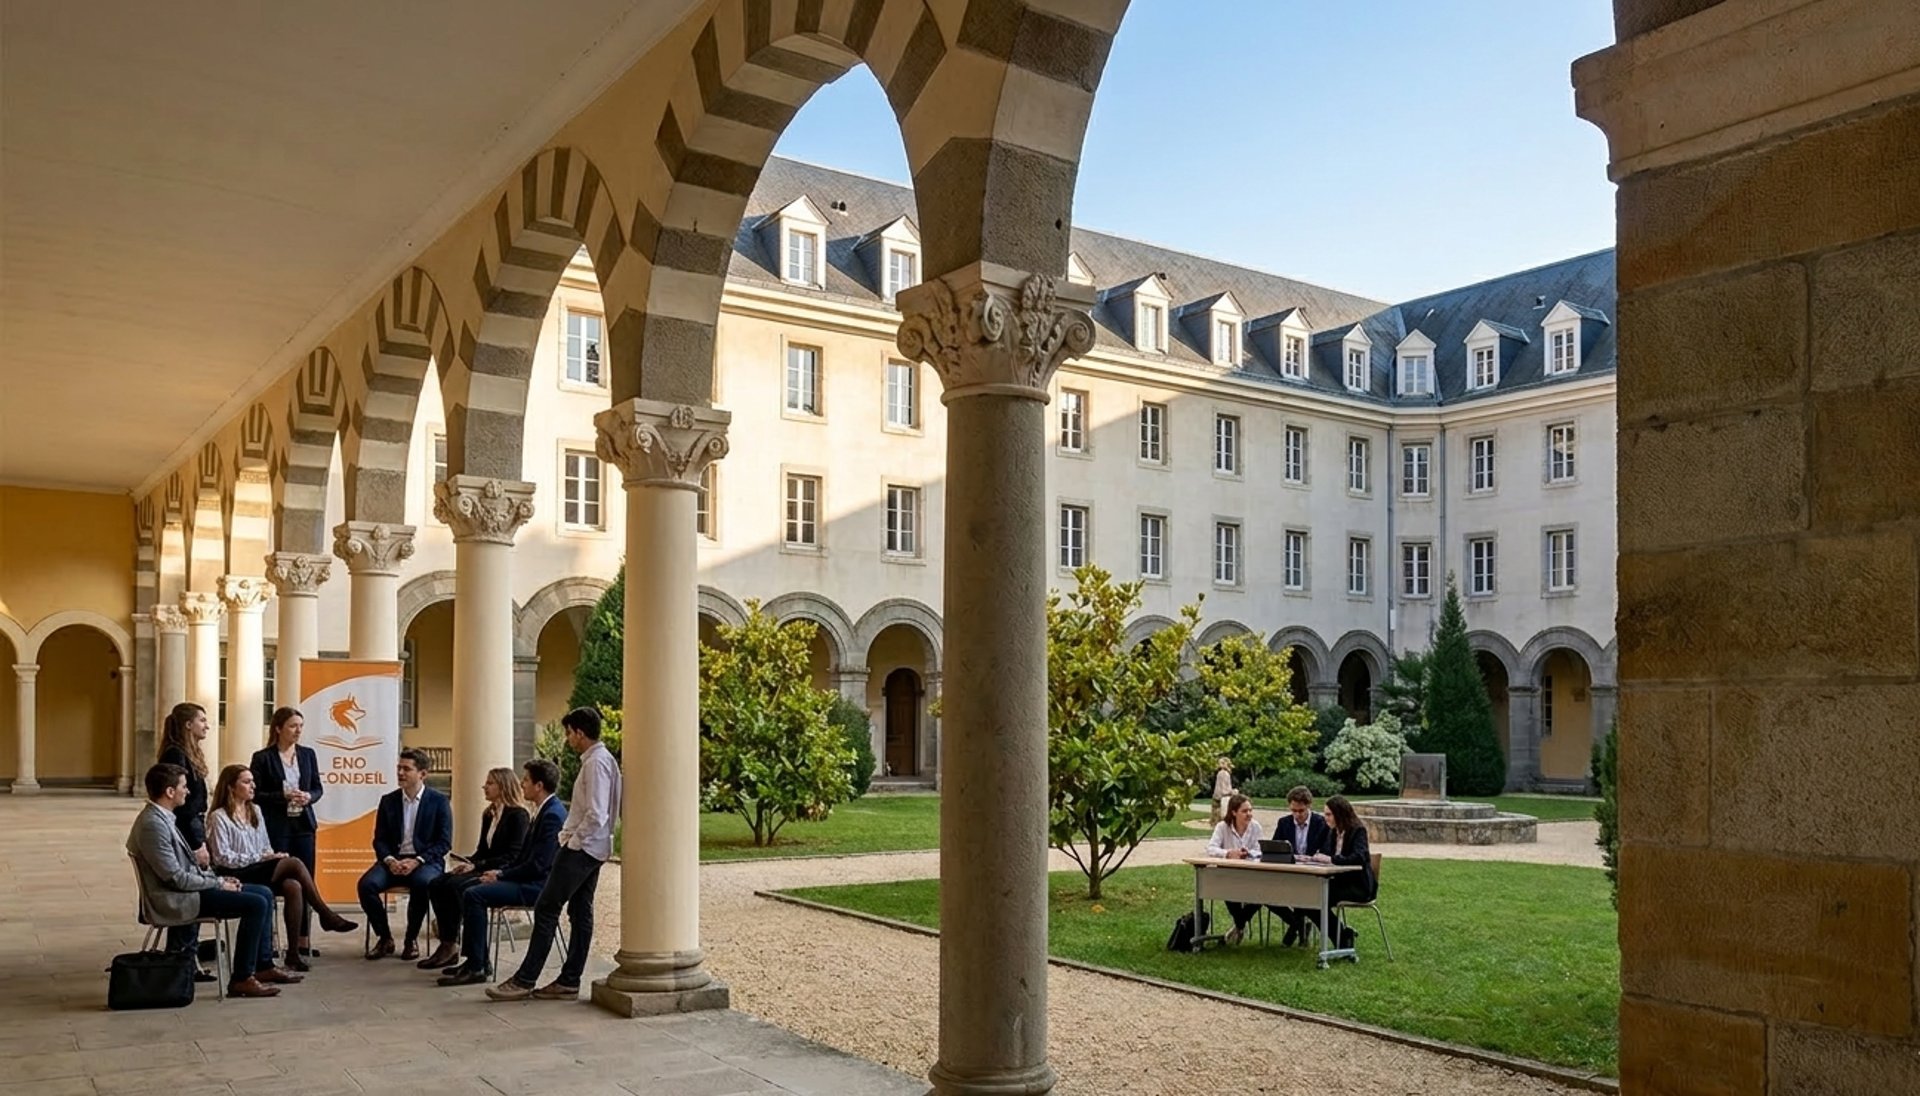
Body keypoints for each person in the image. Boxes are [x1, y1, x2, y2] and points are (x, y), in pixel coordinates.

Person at [128, 763, 304, 998]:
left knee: (264, 892)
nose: (188, 791)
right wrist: (218, 884)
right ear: (170, 792)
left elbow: (185, 870)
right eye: (183, 786)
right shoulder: (153, 825)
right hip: (177, 898)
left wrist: (217, 878)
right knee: (256, 903)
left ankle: (263, 965)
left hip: (189, 889)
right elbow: (175, 878)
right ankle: (242, 977)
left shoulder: (163, 818)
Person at [487, 707, 619, 1001]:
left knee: (547, 908)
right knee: (580, 911)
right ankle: (569, 981)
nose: (568, 739)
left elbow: (597, 814)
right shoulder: (600, 760)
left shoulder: (596, 763)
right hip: (592, 848)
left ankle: (525, 980)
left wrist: (572, 842)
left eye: (569, 733)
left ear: (579, 733)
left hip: (583, 850)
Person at [206, 764, 358, 968]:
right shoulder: (219, 817)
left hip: (258, 866)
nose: (253, 786)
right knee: (293, 862)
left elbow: (265, 844)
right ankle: (325, 913)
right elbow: (222, 857)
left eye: (253, 781)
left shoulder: (255, 810)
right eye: (247, 782)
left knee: (293, 886)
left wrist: (271, 855)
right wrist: (262, 858)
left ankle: (293, 954)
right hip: (235, 873)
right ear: (231, 787)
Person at [437, 758, 567, 986]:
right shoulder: (542, 810)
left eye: (525, 780)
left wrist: (500, 875)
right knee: (459, 887)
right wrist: (498, 872)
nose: (521, 784)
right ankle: (475, 961)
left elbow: (538, 865)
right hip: (527, 879)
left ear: (539, 786)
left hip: (537, 886)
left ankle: (477, 965)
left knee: (473, 893)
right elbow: (524, 859)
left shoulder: (551, 815)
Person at [416, 766, 530, 970]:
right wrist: (467, 862)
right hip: (484, 866)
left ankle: (476, 958)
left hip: (503, 871)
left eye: (490, 783)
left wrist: (476, 865)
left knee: (460, 888)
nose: (484, 787)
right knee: (437, 883)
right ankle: (448, 944)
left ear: (503, 786)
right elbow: (482, 851)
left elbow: (513, 855)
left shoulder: (518, 815)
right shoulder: (489, 814)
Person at [357, 748, 453, 960]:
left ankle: (411, 939)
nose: (400, 773)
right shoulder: (388, 801)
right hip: (393, 860)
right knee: (366, 885)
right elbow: (379, 839)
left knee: (422, 884)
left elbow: (444, 842)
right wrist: (390, 860)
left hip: (425, 861)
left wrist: (417, 861)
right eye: (399, 768)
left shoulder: (439, 801)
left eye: (406, 769)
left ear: (422, 774)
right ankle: (385, 938)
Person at [250, 706, 324, 957]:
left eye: (300, 726)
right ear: (278, 728)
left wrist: (308, 796)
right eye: (293, 726)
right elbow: (255, 794)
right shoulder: (263, 758)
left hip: (303, 826)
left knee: (305, 881)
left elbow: (318, 788)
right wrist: (282, 796)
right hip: (276, 827)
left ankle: (302, 940)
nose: (298, 731)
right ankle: (269, 940)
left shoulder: (308, 754)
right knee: (276, 882)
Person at [155, 702, 212, 957]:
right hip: (186, 830)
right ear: (188, 724)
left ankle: (187, 954)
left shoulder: (188, 752)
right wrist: (197, 844)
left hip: (192, 825)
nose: (207, 726)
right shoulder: (176, 754)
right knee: (189, 893)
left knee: (193, 893)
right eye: (202, 720)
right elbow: (182, 806)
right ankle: (182, 957)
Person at [1307, 794, 1377, 950]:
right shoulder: (1332, 831)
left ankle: (1341, 938)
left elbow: (1359, 857)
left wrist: (1331, 859)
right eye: (1325, 814)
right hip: (1338, 882)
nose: (1326, 818)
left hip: (1358, 886)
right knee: (1309, 898)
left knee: (1316, 898)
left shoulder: (1358, 830)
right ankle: (1342, 935)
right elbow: (1325, 852)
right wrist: (1314, 858)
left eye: (1329, 815)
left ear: (1340, 814)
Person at [1270, 785, 1333, 947]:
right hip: (1289, 871)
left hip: (1313, 873)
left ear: (1309, 806)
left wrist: (1312, 858)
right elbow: (1275, 847)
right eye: (1294, 811)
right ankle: (1298, 925)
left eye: (1301, 811)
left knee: (1301, 889)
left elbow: (1327, 850)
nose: (1297, 815)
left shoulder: (1321, 823)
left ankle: (1296, 928)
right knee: (1266, 892)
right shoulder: (1284, 823)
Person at [1204, 793, 1267, 946]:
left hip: (1252, 875)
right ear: (1233, 812)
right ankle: (1240, 926)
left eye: (1250, 810)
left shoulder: (1256, 827)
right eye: (1244, 811)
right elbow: (1211, 848)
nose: (1249, 814)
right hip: (1229, 875)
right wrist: (1228, 853)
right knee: (1228, 890)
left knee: (1262, 894)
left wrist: (1248, 854)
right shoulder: (1222, 827)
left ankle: (1238, 926)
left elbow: (1261, 850)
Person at [1208, 757, 1235, 826]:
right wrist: (1232, 792)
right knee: (1221, 817)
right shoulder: (1224, 773)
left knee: (1216, 818)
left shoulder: (1221, 773)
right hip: (1222, 798)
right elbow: (1224, 790)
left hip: (1217, 797)